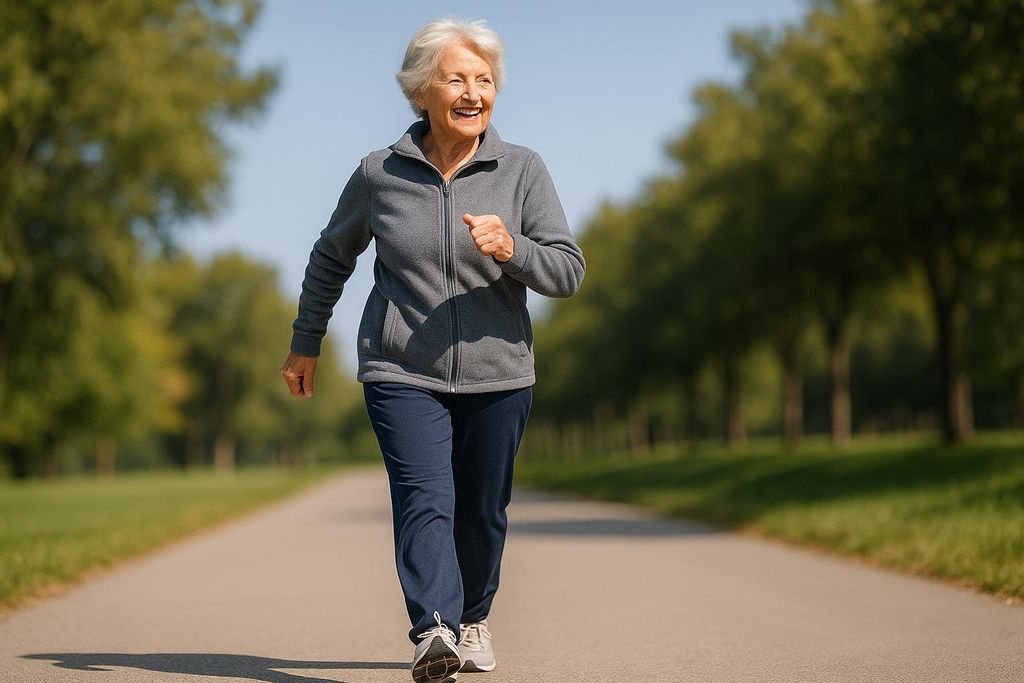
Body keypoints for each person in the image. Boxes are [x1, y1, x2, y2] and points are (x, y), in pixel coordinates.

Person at [279, 16, 585, 683]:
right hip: (401, 368)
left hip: (499, 372)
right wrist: (306, 341)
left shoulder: (523, 170)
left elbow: (567, 271)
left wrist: (514, 250)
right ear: (423, 91)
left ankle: (472, 617)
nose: (474, 91)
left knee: (481, 511)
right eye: (458, 78)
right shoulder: (379, 174)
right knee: (425, 496)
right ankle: (433, 629)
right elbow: (331, 256)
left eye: (485, 80)